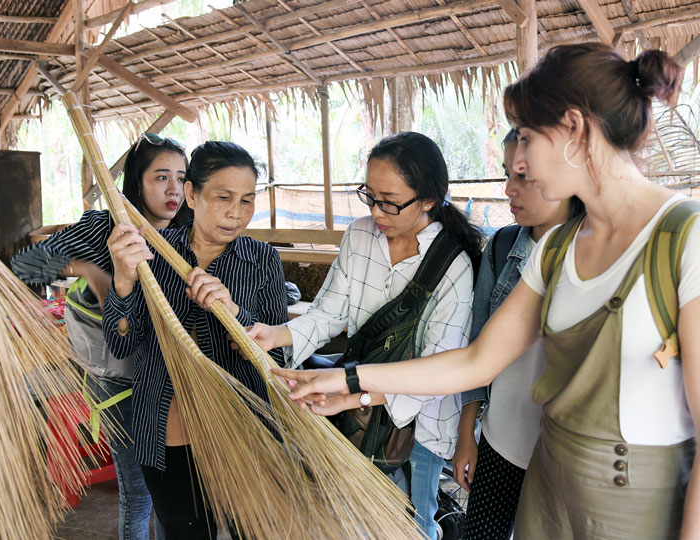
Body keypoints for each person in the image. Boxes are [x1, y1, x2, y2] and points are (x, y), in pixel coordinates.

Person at [274, 43, 700, 539]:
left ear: (573, 130)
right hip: (550, 487)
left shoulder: (683, 239)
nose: (517, 160)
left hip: (636, 505)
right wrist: (348, 381)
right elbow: (475, 361)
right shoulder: (558, 248)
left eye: (525, 137)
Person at [247, 131, 482, 539]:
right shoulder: (358, 236)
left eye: (389, 201)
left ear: (429, 200)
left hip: (421, 425)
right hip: (358, 408)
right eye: (368, 195)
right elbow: (328, 313)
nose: (377, 211)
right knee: (356, 517)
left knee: (411, 523)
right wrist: (277, 335)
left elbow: (437, 372)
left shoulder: (454, 267)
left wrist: (352, 396)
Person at [103, 141, 288, 539]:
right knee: (185, 531)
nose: (236, 213)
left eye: (247, 200)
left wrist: (235, 314)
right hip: (165, 431)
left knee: (251, 531)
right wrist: (122, 279)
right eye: (223, 198)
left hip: (244, 431)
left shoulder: (262, 260)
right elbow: (121, 344)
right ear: (192, 194)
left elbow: (281, 356)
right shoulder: (151, 255)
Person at [12, 133, 189, 540]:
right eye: (161, 177)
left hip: (169, 381)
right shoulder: (102, 230)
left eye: (181, 178)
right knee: (139, 493)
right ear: (135, 183)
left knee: (171, 494)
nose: (173, 189)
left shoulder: (187, 233)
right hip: (119, 383)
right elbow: (25, 266)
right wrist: (91, 270)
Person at [457, 128, 583, 540]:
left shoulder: (600, 253)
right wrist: (466, 436)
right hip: (501, 440)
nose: (509, 189)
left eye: (524, 176)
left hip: (565, 455)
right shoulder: (502, 246)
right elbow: (477, 350)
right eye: (508, 174)